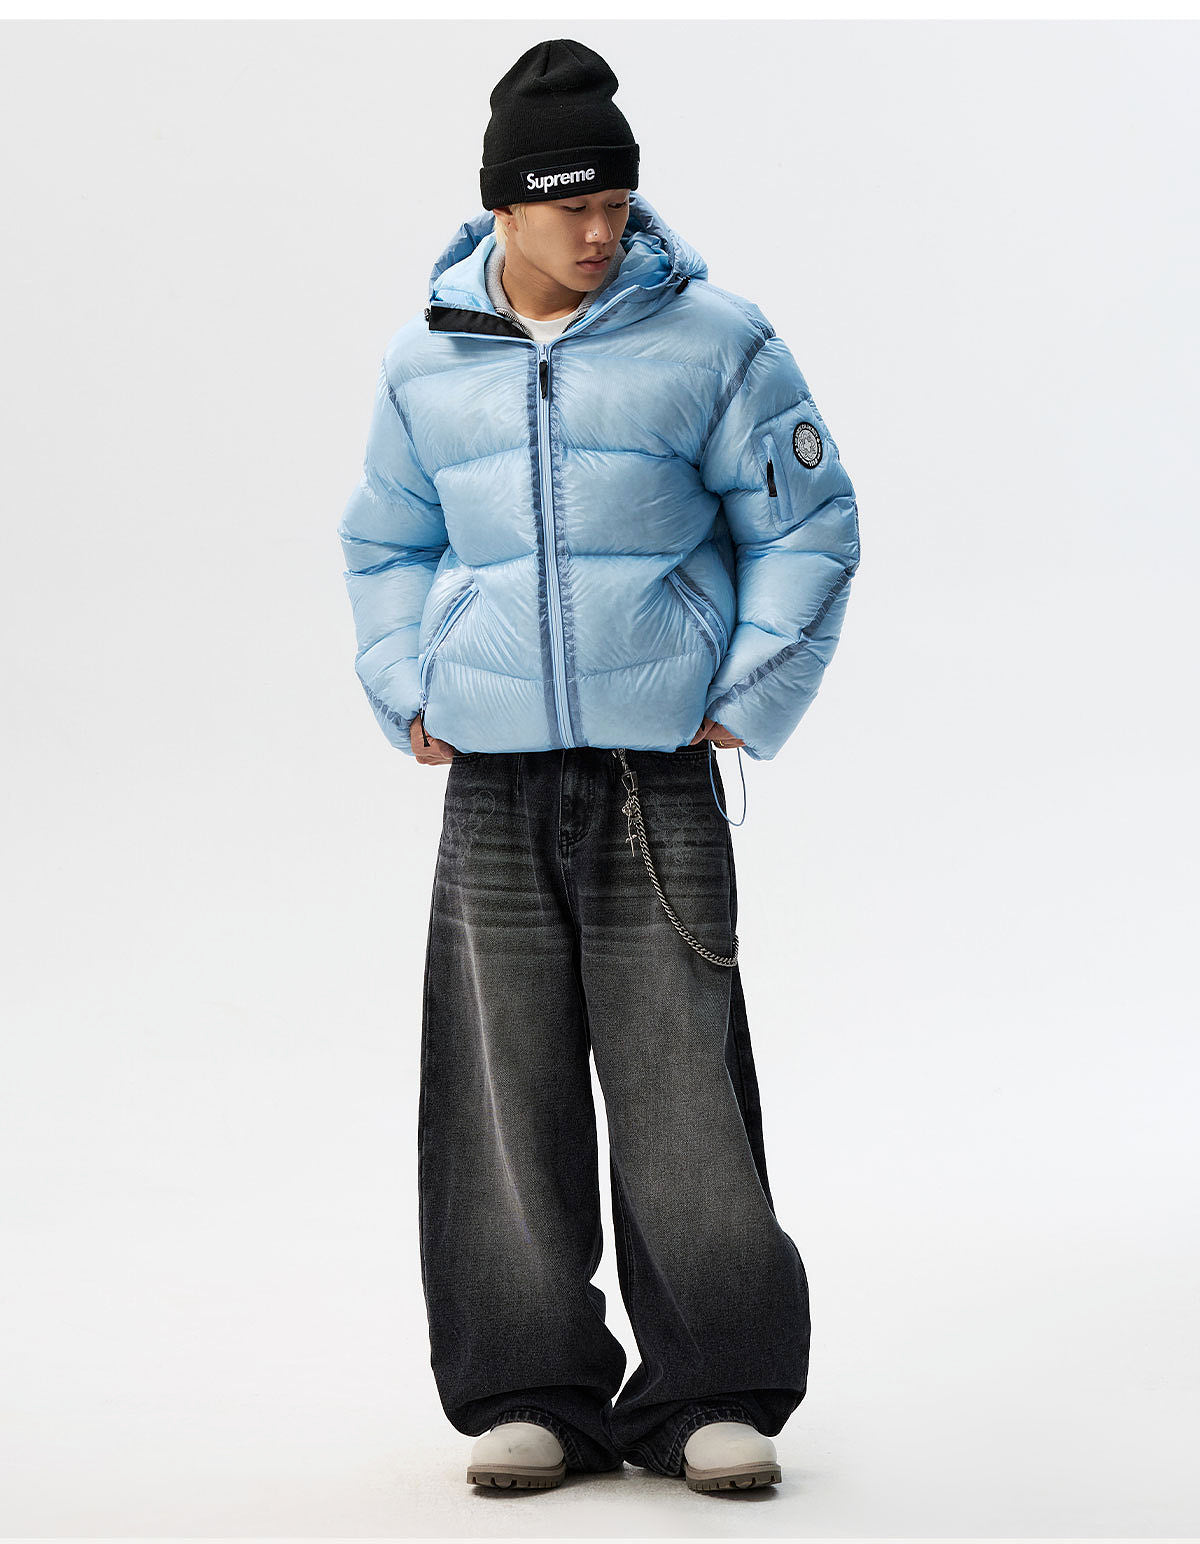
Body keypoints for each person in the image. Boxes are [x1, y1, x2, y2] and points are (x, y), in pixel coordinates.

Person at [337, 37, 861, 1495]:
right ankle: (531, 1390)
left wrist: (744, 691)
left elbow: (811, 525)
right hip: (492, 781)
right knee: (500, 1096)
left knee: (681, 1088)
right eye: (572, 207)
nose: (599, 232)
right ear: (505, 206)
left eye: (618, 204)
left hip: (653, 777)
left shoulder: (718, 341)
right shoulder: (426, 363)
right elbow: (383, 545)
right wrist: (406, 688)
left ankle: (712, 1390)